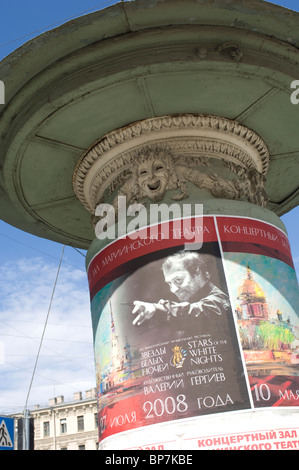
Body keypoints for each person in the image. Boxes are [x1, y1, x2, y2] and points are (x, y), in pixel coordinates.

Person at [132, 251, 231, 326]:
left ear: (197, 272)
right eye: (170, 283)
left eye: (178, 280)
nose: (173, 290)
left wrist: (158, 308)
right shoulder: (194, 300)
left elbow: (195, 311)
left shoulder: (219, 300)